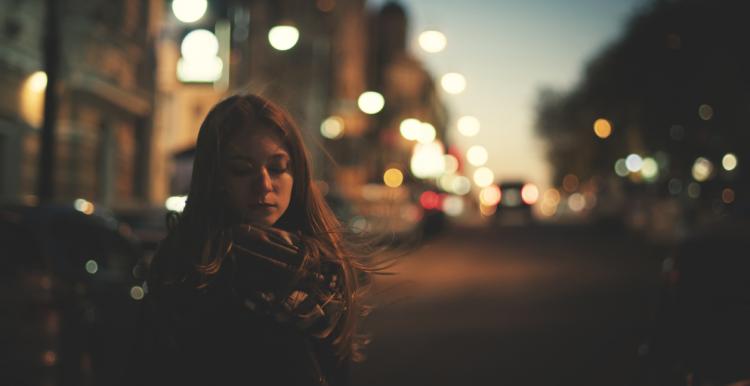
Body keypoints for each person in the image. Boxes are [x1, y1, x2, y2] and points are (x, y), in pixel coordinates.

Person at [129, 94, 371, 386]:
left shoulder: (322, 267)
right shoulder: (188, 269)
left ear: (297, 173)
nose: (265, 184)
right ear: (215, 177)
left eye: (278, 167)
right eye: (242, 169)